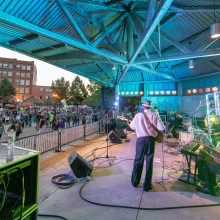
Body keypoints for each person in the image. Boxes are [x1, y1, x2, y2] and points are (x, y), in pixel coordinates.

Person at [126, 101, 165, 192]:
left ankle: (135, 182)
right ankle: (147, 185)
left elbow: (132, 127)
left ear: (143, 107)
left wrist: (128, 122)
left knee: (138, 160)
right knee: (149, 162)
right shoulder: (154, 115)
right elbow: (162, 128)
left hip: (141, 141)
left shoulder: (138, 115)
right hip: (151, 140)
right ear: (150, 107)